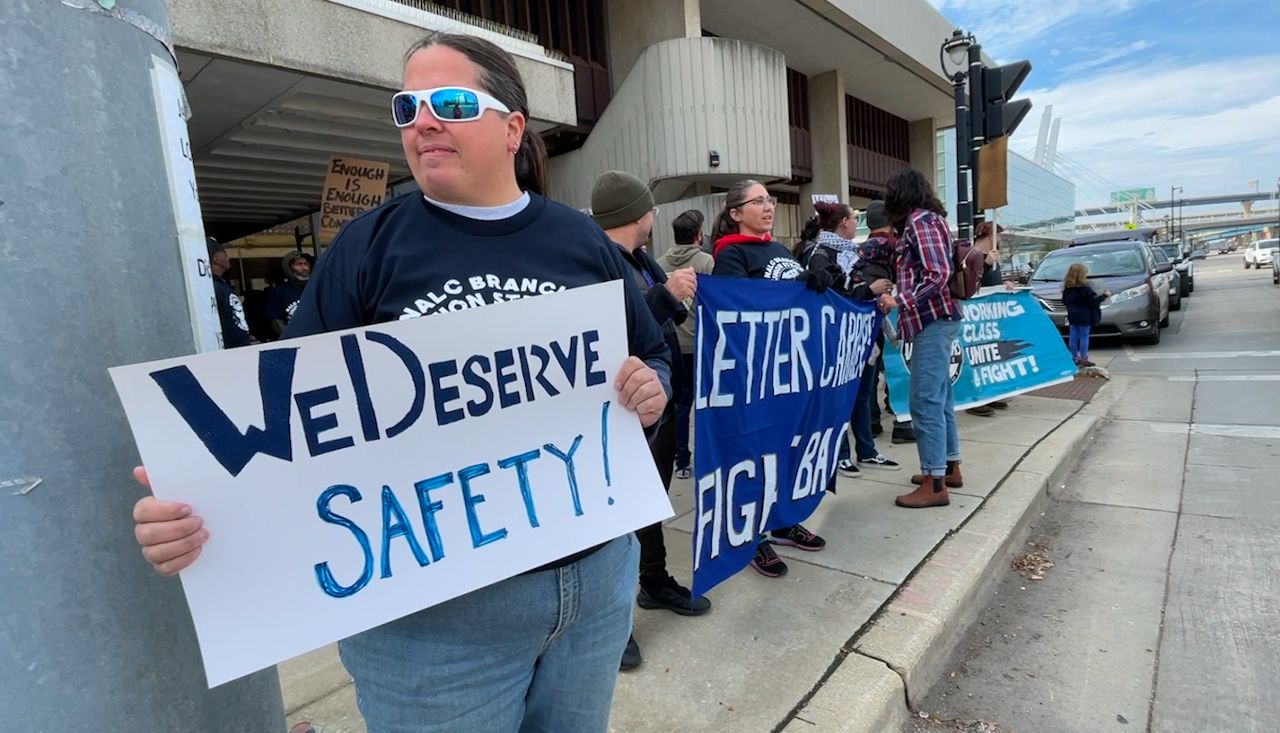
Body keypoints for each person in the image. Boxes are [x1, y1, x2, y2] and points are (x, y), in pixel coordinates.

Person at [130, 32, 673, 733]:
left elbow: (652, 355)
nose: (422, 120)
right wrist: (203, 506)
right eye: (406, 105)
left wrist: (649, 391)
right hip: (434, 625)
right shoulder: (366, 247)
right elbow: (289, 420)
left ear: (512, 128)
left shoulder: (582, 241)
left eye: (448, 101)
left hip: (594, 588)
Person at [590, 171, 709, 672]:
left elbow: (665, 320)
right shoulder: (598, 263)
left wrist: (672, 297)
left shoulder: (640, 261)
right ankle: (613, 626)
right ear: (639, 215)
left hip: (656, 406)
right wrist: (667, 294)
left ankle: (654, 582)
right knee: (620, 517)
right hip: (622, 410)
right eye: (650, 208)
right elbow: (609, 328)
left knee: (649, 504)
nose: (655, 217)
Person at [710, 179, 831, 578]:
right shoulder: (731, 256)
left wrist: (817, 278)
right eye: (758, 201)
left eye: (770, 199)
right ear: (735, 213)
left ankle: (782, 519)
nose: (768, 206)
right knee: (756, 456)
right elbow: (736, 313)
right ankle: (753, 534)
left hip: (792, 377)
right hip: (757, 378)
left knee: (787, 451)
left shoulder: (778, 250)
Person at [876, 169, 962, 510]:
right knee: (940, 399)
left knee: (924, 402)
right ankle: (948, 466)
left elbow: (937, 274)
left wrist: (901, 300)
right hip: (939, 319)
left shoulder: (920, 222)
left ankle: (935, 481)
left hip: (932, 320)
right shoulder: (932, 219)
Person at [801, 201, 898, 478]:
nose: (857, 223)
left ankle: (866, 450)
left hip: (861, 335)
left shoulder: (853, 252)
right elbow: (833, 298)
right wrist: (870, 290)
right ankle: (840, 454)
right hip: (837, 338)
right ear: (843, 222)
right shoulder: (821, 255)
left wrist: (876, 297)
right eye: (854, 218)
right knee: (840, 395)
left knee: (863, 394)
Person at [656, 209, 715, 481]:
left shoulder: (658, 263)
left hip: (671, 345)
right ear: (699, 235)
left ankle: (681, 461)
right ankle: (706, 458)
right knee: (705, 405)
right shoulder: (705, 262)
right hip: (700, 344)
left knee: (680, 406)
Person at [966, 220, 1009, 416]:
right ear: (991, 236)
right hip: (975, 317)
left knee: (991, 355)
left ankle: (991, 393)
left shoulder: (992, 258)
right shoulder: (971, 255)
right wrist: (985, 264)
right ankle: (975, 397)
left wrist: (1004, 284)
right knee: (976, 356)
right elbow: (967, 282)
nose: (1000, 240)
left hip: (991, 316)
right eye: (998, 236)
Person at [207, 238, 252, 348]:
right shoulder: (213, 287)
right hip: (230, 350)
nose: (229, 258)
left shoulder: (222, 284)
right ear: (216, 259)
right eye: (225, 255)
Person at [1062, 262, 1109, 367]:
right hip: (1084, 316)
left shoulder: (1067, 289)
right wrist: (1104, 296)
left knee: (1073, 337)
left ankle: (1074, 358)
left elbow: (1064, 301)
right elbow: (1093, 303)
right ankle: (1084, 358)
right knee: (1084, 336)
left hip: (1072, 315)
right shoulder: (1086, 290)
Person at [265, 251, 312, 337]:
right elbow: (276, 322)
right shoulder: (279, 292)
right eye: (299, 264)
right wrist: (290, 337)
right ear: (289, 267)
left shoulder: (316, 287)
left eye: (306, 264)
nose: (304, 267)